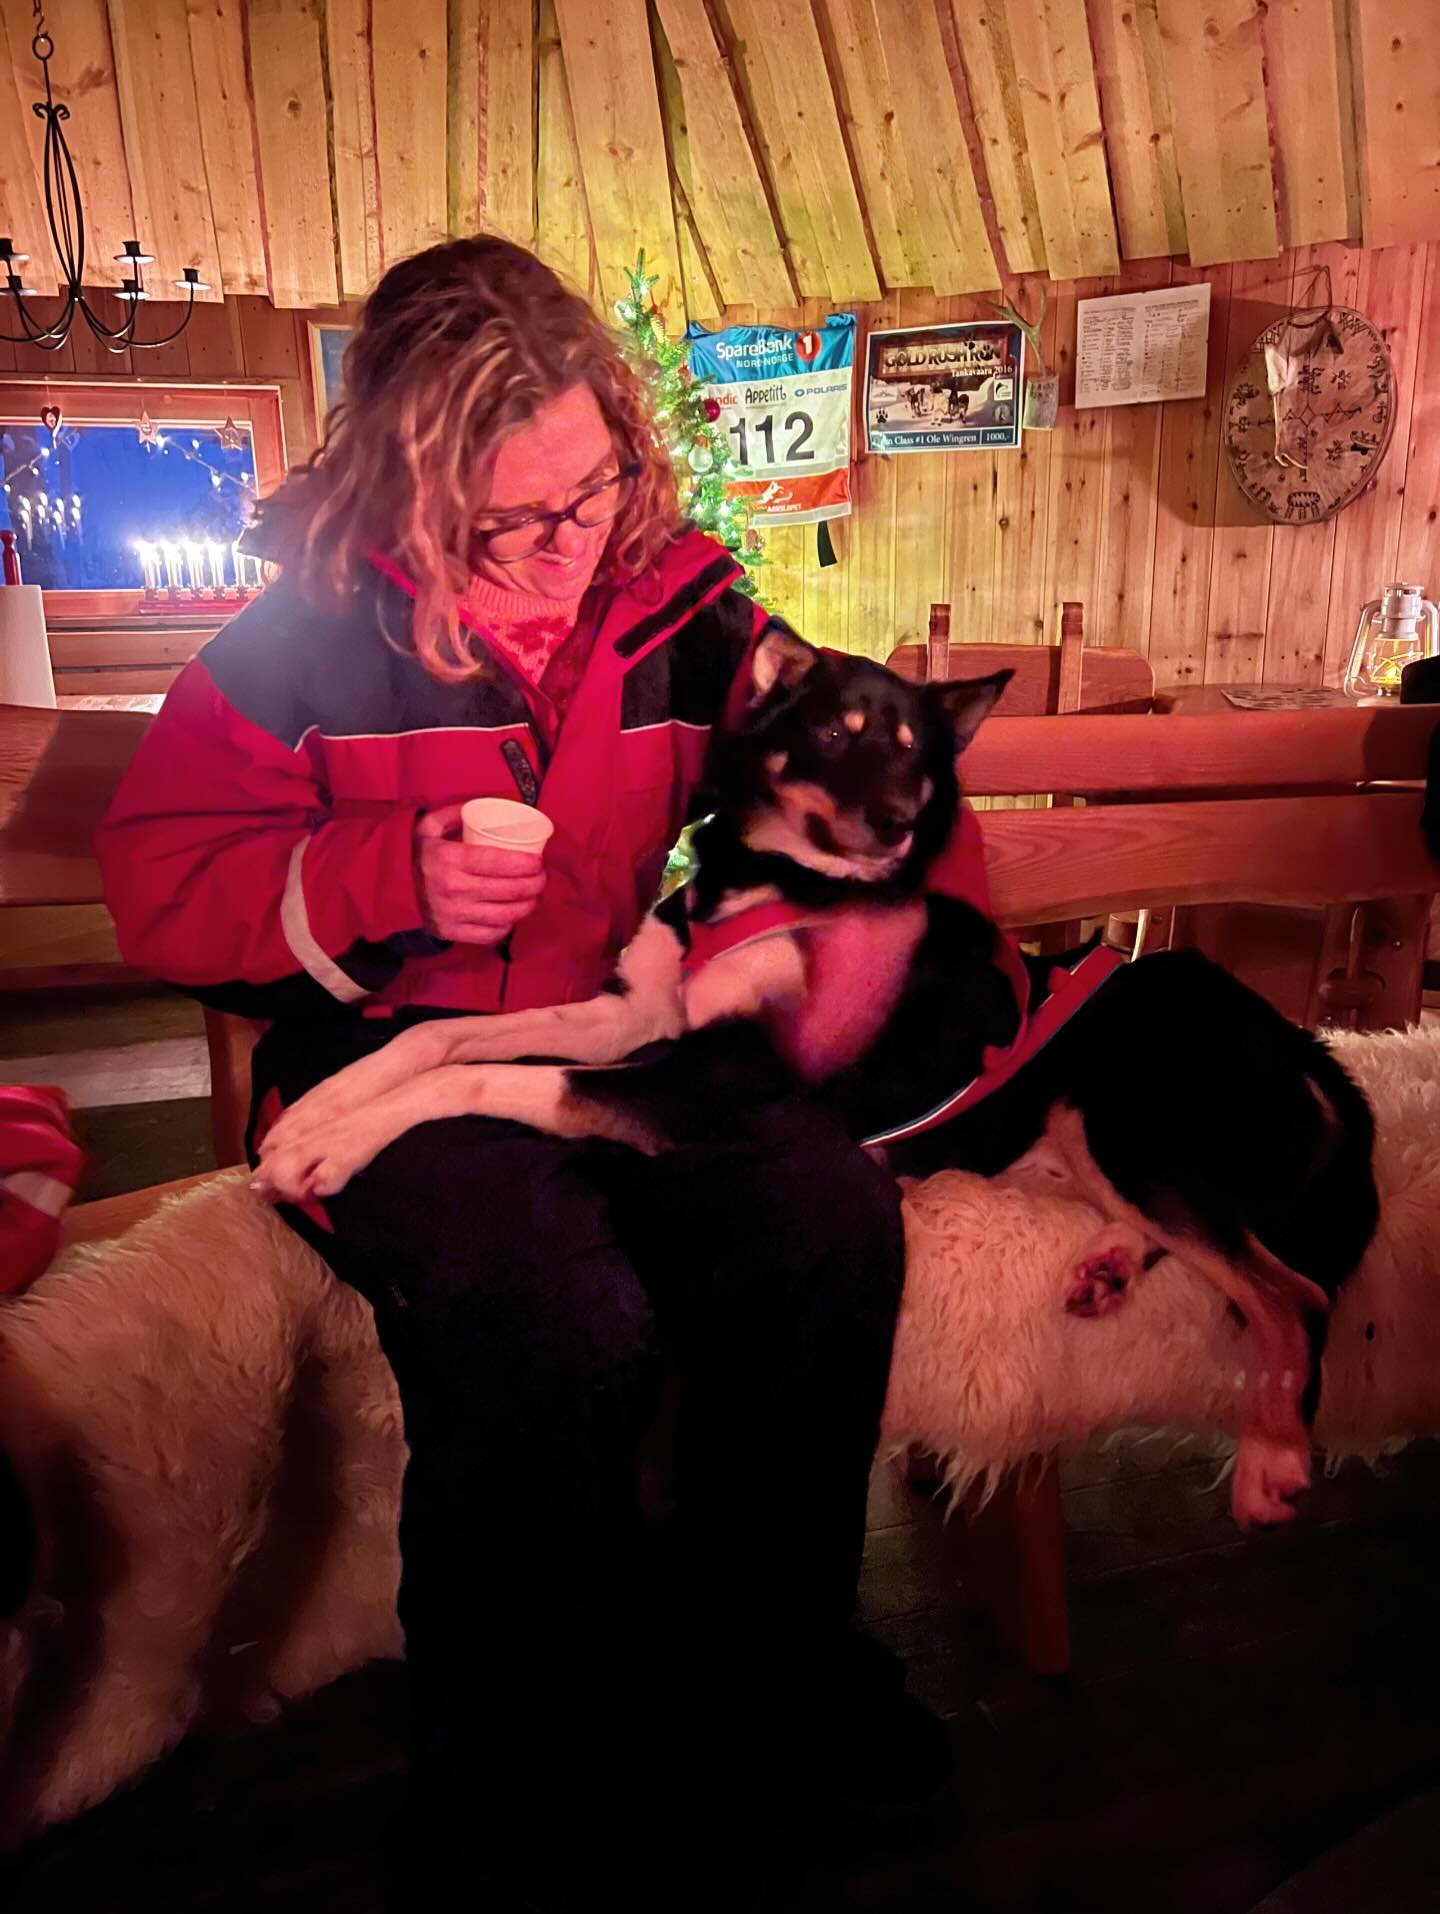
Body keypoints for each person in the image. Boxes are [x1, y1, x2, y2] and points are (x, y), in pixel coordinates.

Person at [97, 237, 954, 1913]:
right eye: (518, 520)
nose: (572, 548)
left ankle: (767, 1682)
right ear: (413, 486)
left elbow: (824, 746)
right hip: (381, 1071)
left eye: (597, 488)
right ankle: (508, 1772)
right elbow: (157, 881)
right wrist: (384, 876)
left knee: (830, 1228)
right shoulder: (299, 644)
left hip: (608, 1039)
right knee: (558, 1316)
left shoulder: (683, 596)